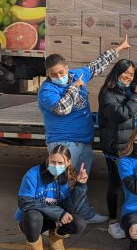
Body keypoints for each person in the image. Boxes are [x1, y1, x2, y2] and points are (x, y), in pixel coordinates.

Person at [38, 36, 131, 224]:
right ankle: (57, 218)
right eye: (53, 74)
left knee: (80, 182)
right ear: (48, 74)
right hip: (63, 145)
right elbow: (61, 109)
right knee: (61, 183)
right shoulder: (47, 90)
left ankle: (84, 214)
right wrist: (75, 87)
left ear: (66, 68)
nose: (58, 76)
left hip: (84, 143)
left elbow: (95, 66)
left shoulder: (75, 75)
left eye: (61, 72)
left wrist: (118, 49)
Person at [14, 145, 88, 250]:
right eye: (53, 162)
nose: (56, 166)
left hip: (54, 219)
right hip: (33, 220)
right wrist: (59, 213)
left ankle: (56, 234)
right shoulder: (33, 174)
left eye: (60, 163)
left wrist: (80, 186)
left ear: (68, 162)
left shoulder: (70, 176)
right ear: (48, 159)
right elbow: (25, 202)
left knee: (79, 223)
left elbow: (73, 207)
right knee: (33, 216)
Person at [98, 59, 137, 239]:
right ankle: (112, 222)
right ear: (116, 72)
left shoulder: (130, 91)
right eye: (125, 72)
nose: (128, 77)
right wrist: (136, 97)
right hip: (115, 149)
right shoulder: (107, 94)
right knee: (116, 186)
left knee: (131, 184)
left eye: (132, 74)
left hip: (132, 146)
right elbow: (120, 115)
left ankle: (129, 218)